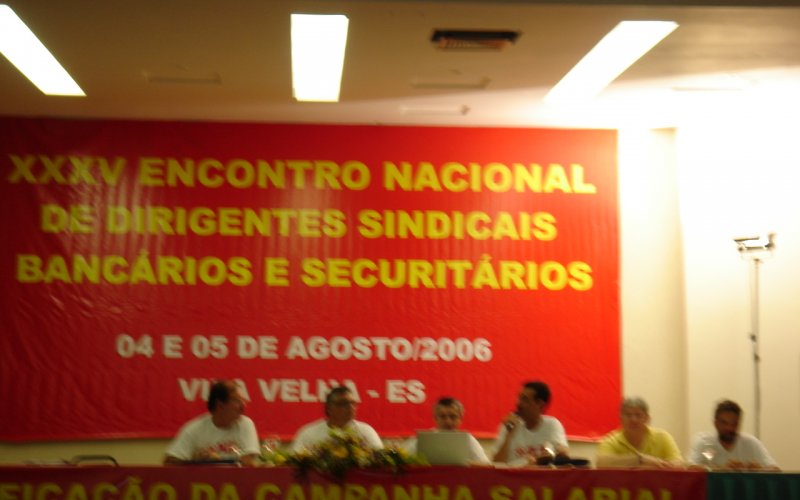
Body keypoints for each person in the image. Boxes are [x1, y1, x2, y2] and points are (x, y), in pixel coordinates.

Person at [164, 380, 260, 465]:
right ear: (220, 405)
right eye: (237, 401)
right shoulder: (194, 429)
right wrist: (196, 461)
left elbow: (247, 461)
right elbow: (169, 462)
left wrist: (217, 461)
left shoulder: (246, 424)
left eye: (243, 400)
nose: (243, 406)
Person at [492, 381, 568, 465]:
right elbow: (497, 463)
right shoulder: (509, 425)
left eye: (525, 399)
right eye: (519, 398)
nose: (518, 403)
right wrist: (508, 434)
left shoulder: (552, 425)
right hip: (515, 473)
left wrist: (558, 453)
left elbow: (562, 455)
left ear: (540, 405)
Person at [688, 399, 778, 470]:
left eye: (734, 424)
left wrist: (759, 470)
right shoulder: (705, 443)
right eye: (724, 423)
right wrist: (721, 470)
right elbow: (691, 468)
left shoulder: (751, 443)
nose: (729, 428)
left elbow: (775, 469)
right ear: (715, 423)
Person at [595, 397, 683, 468]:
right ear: (621, 418)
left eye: (638, 415)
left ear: (647, 418)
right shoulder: (610, 440)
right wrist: (640, 459)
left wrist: (641, 467)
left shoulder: (663, 437)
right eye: (628, 415)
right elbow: (602, 463)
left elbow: (678, 465)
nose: (633, 420)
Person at [291, 386, 383, 451]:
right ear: (329, 408)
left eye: (353, 403)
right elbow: (294, 462)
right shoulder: (309, 433)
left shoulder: (366, 431)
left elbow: (380, 461)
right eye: (343, 404)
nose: (350, 407)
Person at [402, 396, 490, 464]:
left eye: (453, 416)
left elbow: (486, 465)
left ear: (460, 419)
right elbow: (402, 461)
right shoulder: (423, 439)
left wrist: (465, 464)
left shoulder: (468, 439)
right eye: (443, 416)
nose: (448, 421)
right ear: (435, 418)